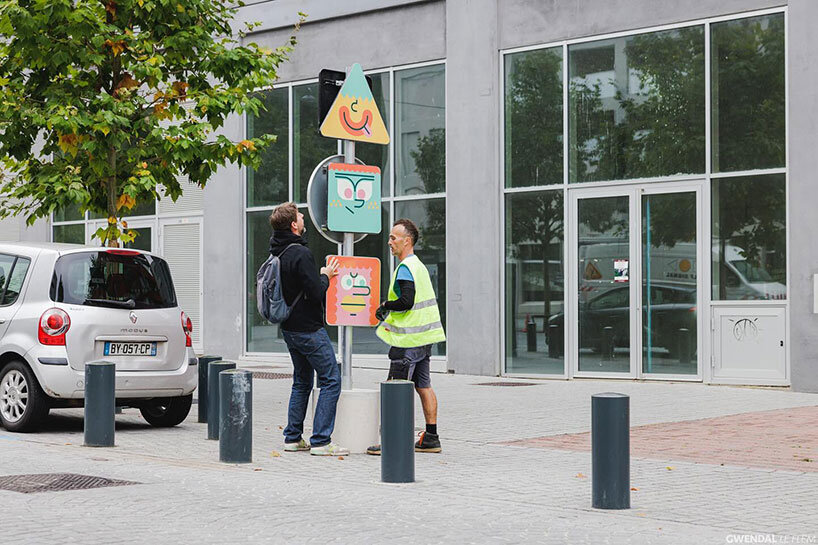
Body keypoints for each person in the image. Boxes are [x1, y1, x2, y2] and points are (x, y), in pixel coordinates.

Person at [268, 202, 349, 456]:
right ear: (294, 224)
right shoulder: (300, 254)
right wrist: (325, 275)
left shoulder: (278, 253)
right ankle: (322, 441)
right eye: (300, 215)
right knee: (331, 379)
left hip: (290, 328)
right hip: (309, 329)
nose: (303, 218)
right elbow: (315, 293)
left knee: (302, 381)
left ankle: (292, 437)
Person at [367, 219, 446, 455]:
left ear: (407, 241)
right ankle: (431, 438)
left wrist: (385, 306)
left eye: (394, 237)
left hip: (407, 341)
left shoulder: (405, 268)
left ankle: (391, 441)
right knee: (424, 386)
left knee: (395, 389)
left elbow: (406, 301)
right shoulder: (418, 266)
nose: (389, 242)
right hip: (423, 339)